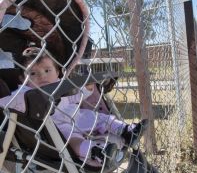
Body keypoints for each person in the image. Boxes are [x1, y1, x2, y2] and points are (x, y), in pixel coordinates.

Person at [0, 46, 148, 166]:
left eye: (47, 70)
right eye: (32, 73)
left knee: (102, 118)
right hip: (57, 127)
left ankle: (126, 130)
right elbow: (6, 102)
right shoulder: (23, 93)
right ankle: (97, 152)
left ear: (58, 72)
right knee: (74, 142)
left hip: (77, 115)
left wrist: (86, 89)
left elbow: (74, 97)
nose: (42, 76)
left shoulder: (62, 85)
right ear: (22, 79)